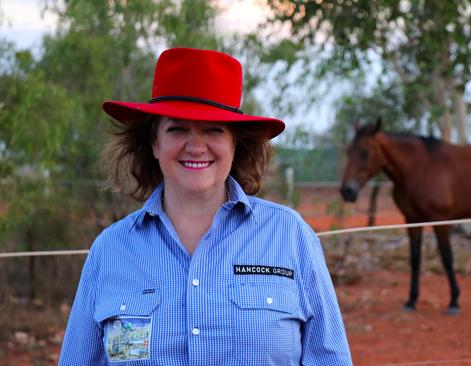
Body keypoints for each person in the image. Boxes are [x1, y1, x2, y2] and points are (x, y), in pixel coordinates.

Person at [59, 47, 353, 365]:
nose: (196, 146)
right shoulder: (111, 250)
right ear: (154, 143)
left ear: (235, 144)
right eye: (177, 129)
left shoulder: (290, 237)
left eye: (214, 130)